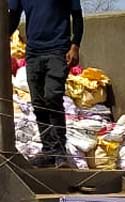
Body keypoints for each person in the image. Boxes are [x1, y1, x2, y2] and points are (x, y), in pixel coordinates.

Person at [8, 0, 84, 168]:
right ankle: (49, 151)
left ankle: (60, 152)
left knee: (53, 97)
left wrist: (75, 45)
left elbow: (77, 16)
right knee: (38, 103)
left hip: (58, 50)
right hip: (33, 52)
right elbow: (13, 18)